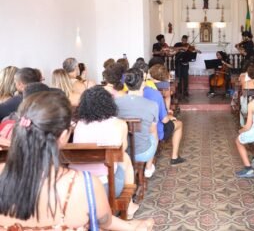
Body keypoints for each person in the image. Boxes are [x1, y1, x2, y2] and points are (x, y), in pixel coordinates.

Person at [0, 91, 153, 230]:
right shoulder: (83, 185)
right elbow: (105, 222)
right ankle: (131, 206)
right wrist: (138, 226)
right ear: (63, 136)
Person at [72, 86, 139, 219]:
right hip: (108, 187)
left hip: (80, 186)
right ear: (109, 103)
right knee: (125, 158)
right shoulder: (119, 124)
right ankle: (129, 205)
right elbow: (121, 151)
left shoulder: (79, 124)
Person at [114, 68, 159, 178]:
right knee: (154, 135)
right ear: (143, 84)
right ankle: (148, 168)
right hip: (142, 152)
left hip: (122, 150)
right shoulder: (152, 105)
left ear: (126, 83)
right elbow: (152, 131)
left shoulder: (115, 103)